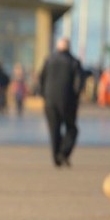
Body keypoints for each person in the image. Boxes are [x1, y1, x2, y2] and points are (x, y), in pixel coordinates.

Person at [38, 37, 85, 167]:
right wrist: (75, 96)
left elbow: (41, 78)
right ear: (69, 47)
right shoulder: (74, 62)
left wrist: (44, 95)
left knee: (54, 130)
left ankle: (56, 157)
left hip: (50, 101)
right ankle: (64, 152)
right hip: (67, 100)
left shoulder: (49, 60)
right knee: (72, 129)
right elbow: (79, 82)